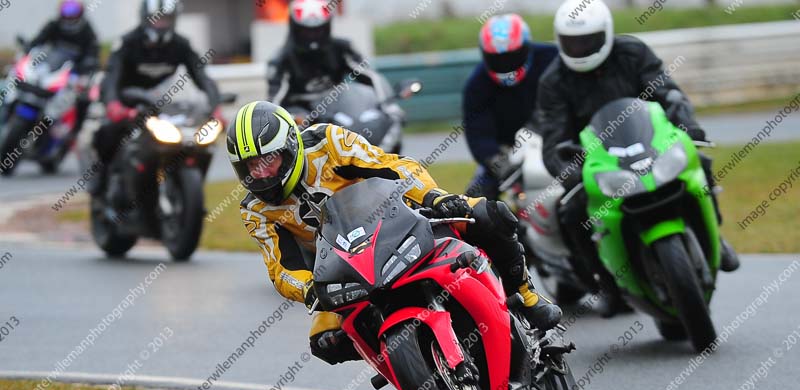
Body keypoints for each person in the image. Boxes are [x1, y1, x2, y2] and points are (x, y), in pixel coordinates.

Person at [230, 101, 562, 365]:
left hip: (395, 219)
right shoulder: (255, 209)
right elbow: (280, 268)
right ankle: (411, 361)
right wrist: (306, 290)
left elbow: (392, 165)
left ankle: (527, 296)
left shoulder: (326, 143)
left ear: (289, 145)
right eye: (249, 167)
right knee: (326, 344)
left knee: (489, 214)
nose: (260, 173)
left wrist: (436, 197)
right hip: (341, 267)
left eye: (267, 159)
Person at [537, 0, 739, 313]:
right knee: (572, 211)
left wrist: (690, 126)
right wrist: (569, 171)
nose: (579, 48)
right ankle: (606, 282)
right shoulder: (553, 81)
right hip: (599, 161)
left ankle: (718, 240)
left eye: (587, 40)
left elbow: (667, 93)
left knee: (701, 164)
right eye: (572, 42)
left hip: (652, 142)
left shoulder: (633, 53)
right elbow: (553, 138)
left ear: (606, 33)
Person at [90, 0, 220, 198]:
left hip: (161, 105)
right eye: (157, 19)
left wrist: (215, 105)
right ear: (145, 18)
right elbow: (111, 78)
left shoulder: (181, 44)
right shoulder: (127, 43)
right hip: (127, 103)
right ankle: (102, 179)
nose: (162, 24)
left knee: (197, 143)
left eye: (166, 19)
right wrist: (113, 104)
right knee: (108, 134)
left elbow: (202, 76)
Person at [463, 14, 559, 200]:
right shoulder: (477, 84)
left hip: (555, 138)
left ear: (526, 48)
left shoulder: (552, 58)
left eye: (512, 56)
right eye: (497, 58)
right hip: (507, 151)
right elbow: (478, 134)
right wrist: (497, 162)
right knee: (473, 200)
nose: (505, 64)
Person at [267, 0, 390, 111]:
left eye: (318, 30)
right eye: (306, 31)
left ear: (327, 27)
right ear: (295, 29)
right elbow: (275, 98)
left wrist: (388, 106)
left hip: (339, 110)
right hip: (301, 117)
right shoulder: (281, 59)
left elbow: (370, 76)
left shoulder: (342, 48)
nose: (312, 36)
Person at [22, 1, 99, 138]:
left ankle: (70, 134)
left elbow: (92, 55)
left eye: (72, 13)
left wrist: (86, 68)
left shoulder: (87, 32)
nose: (69, 17)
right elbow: (38, 41)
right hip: (48, 69)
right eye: (66, 12)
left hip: (70, 75)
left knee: (82, 99)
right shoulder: (54, 24)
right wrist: (29, 48)